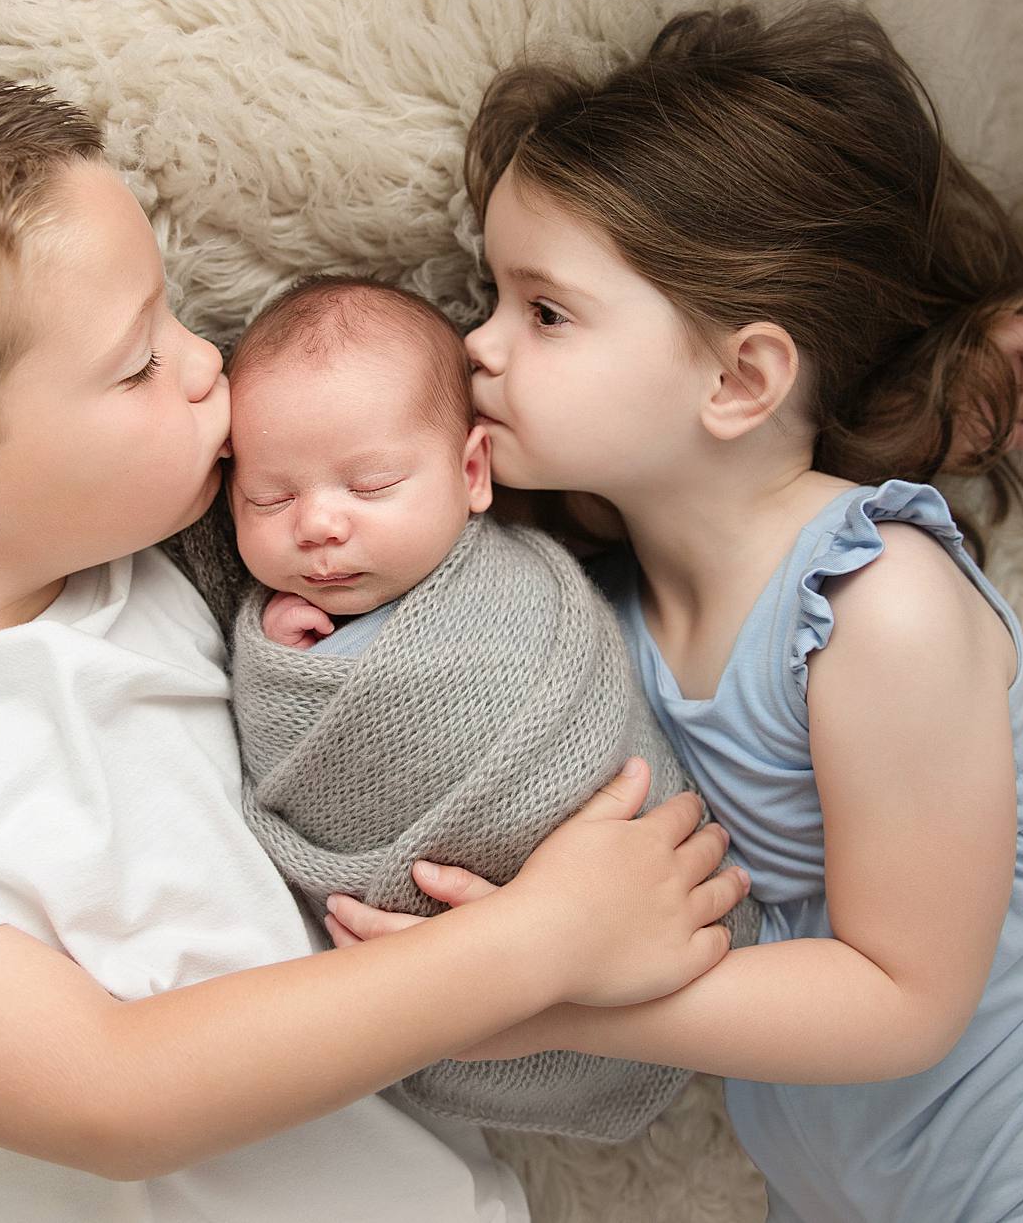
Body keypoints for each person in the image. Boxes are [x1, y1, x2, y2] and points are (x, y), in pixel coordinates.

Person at [0, 74, 745, 1223]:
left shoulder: (189, 562)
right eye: (136, 362)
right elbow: (110, 1095)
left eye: (171, 313)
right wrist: (543, 941)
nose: (208, 358)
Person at [323, 1, 1023, 1220]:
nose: (475, 348)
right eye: (489, 297)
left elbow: (900, 998)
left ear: (741, 377)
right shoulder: (593, 610)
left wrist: (541, 993)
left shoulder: (875, 605)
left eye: (542, 312)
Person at [221, 275, 761, 1141]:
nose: (317, 524)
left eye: (373, 483)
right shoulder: (277, 632)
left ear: (471, 473)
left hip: (620, 883)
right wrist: (281, 658)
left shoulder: (519, 581)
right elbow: (280, 756)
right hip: (456, 961)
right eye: (270, 498)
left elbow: (593, 721)